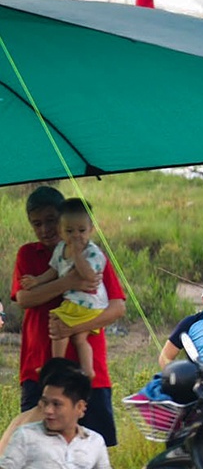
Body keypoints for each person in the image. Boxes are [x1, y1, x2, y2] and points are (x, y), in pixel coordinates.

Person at [10, 187, 126, 446]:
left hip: (87, 371)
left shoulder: (93, 254)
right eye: (36, 224)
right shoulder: (28, 254)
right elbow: (24, 299)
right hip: (39, 369)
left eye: (51, 221)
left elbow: (117, 308)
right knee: (35, 449)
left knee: (91, 450)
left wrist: (74, 329)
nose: (44, 230)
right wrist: (68, 281)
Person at [0, 360, 134, 469]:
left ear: (79, 406)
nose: (49, 411)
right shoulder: (31, 431)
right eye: (48, 403)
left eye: (57, 404)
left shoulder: (89, 439)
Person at [20, 198, 109, 378]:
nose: (76, 236)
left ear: (92, 229)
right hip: (77, 302)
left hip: (87, 304)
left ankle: (56, 365)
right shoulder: (60, 248)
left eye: (82, 230)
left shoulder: (92, 252)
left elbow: (90, 276)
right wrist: (37, 281)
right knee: (79, 338)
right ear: (62, 230)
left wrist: (77, 255)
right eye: (70, 231)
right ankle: (87, 370)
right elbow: (53, 271)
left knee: (57, 322)